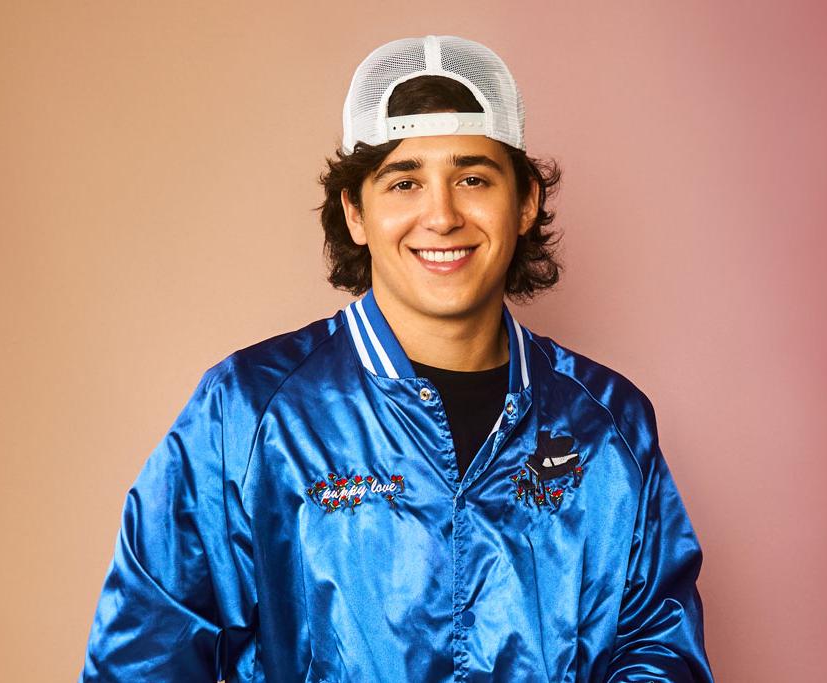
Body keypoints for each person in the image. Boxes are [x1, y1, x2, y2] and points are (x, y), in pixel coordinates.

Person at [81, 35, 714, 682]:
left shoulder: (607, 421)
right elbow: (143, 655)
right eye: (405, 182)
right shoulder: (249, 411)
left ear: (525, 201)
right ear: (355, 211)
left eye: (472, 178)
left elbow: (657, 649)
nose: (441, 216)